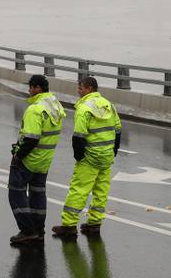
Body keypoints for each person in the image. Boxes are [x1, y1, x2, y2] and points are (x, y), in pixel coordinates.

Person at [52, 76, 121, 238]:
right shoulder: (109, 105)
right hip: (106, 156)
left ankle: (69, 225)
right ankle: (95, 223)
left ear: (89, 89)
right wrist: (113, 151)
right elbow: (118, 130)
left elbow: (78, 136)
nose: (78, 90)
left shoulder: (84, 108)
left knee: (78, 190)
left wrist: (79, 157)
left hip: (90, 157)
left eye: (81, 88)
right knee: (101, 191)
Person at [9, 75, 66, 245]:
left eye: (31, 87)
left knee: (16, 192)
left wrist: (18, 155)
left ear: (38, 88)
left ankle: (27, 231)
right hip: (44, 160)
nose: (29, 90)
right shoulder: (55, 105)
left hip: (29, 160)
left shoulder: (35, 109)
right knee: (38, 193)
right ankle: (39, 231)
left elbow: (31, 138)